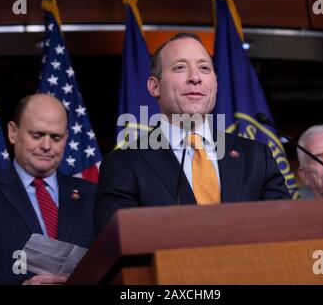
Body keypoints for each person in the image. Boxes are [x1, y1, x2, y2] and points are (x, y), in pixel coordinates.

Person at [96, 33, 290, 234]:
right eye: (180, 67)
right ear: (154, 86)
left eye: (204, 68)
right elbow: (120, 244)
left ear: (215, 85)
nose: (195, 78)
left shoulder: (257, 157)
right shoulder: (122, 165)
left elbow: (287, 229)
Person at [0, 94, 97, 285]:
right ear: (13, 132)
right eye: (37, 135)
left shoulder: (93, 195)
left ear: (66, 138)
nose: (47, 146)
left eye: (56, 137)